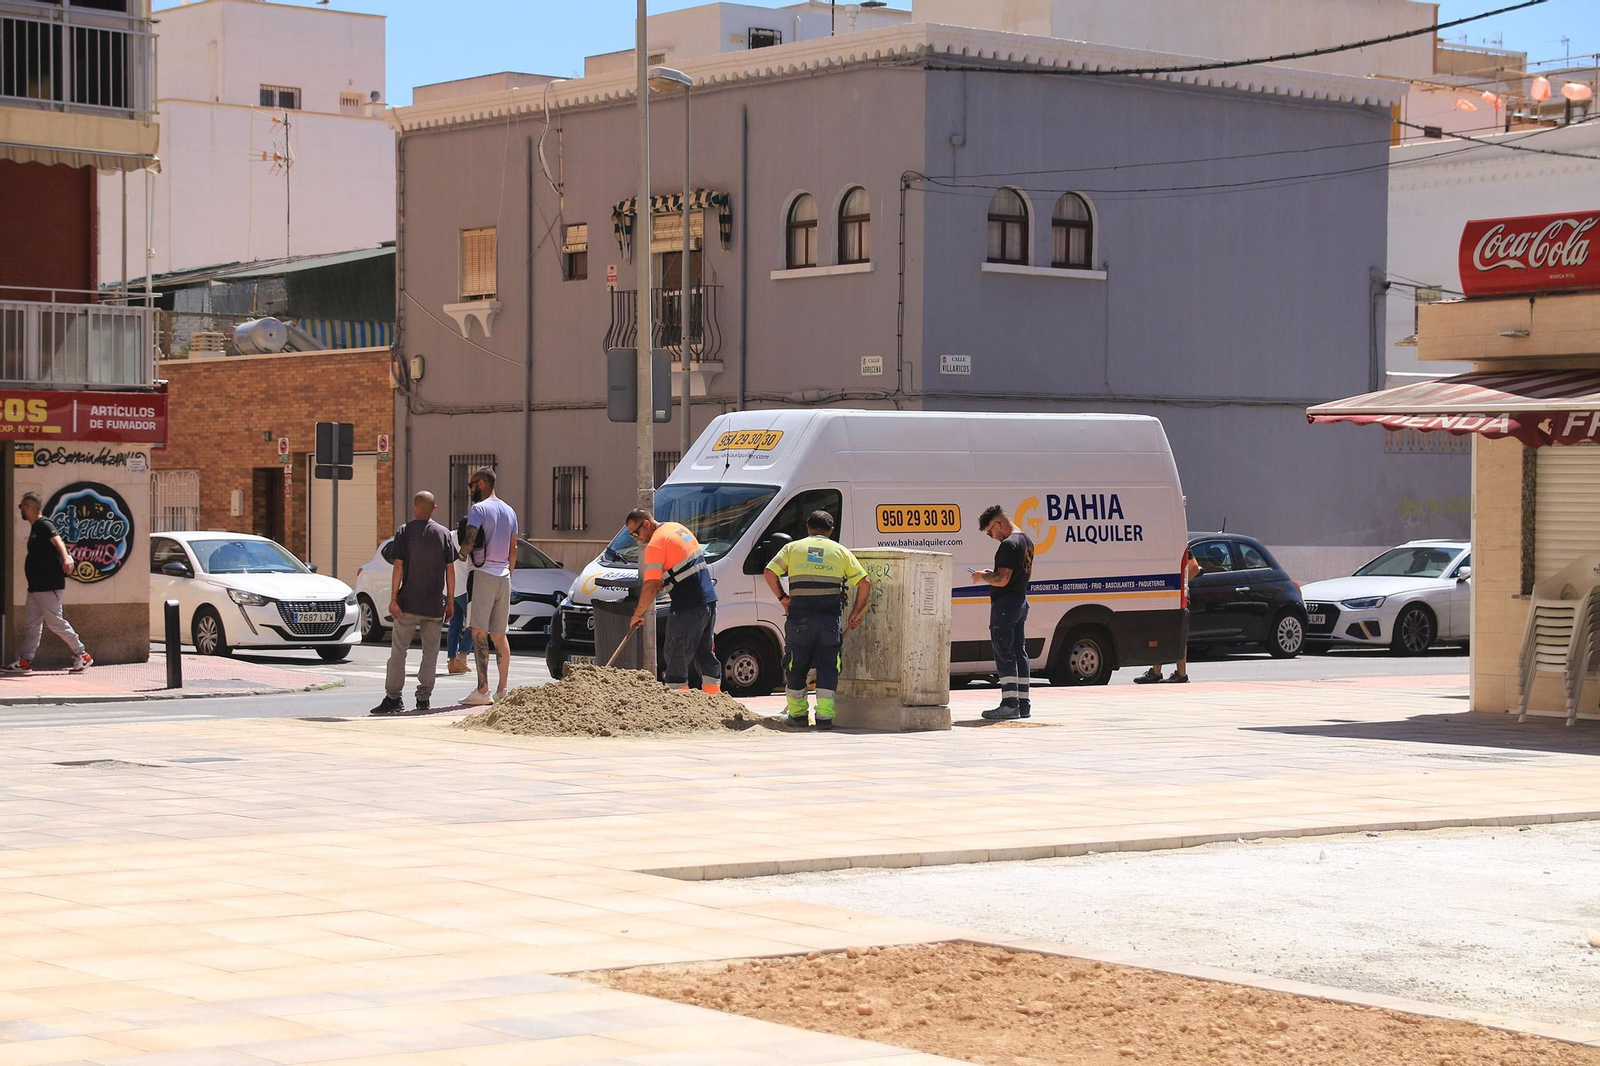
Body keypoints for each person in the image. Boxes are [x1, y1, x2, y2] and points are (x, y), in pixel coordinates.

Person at [763, 510, 871, 729]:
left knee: (796, 666)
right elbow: (865, 582)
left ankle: (798, 716)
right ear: (831, 531)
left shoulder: (792, 548)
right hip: (829, 622)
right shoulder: (840, 551)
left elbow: (769, 572)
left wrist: (783, 598)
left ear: (808, 527)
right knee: (828, 668)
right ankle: (824, 718)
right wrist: (855, 612)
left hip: (799, 621)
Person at [371, 491, 456, 715]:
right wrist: (450, 601)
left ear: (415, 508)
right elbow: (450, 570)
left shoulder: (404, 531)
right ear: (434, 508)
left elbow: (398, 566)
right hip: (434, 605)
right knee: (431, 653)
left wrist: (393, 599)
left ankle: (393, 698)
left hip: (407, 603)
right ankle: (424, 698)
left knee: (399, 652)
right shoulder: (444, 534)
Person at [625, 509, 720, 693]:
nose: (636, 538)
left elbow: (650, 586)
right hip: (707, 602)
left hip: (687, 606)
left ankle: (677, 705)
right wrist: (668, 580)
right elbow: (685, 565)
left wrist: (638, 614)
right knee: (704, 654)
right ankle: (714, 699)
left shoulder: (655, 544)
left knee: (676, 655)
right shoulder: (675, 528)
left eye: (636, 533)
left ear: (646, 524)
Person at [6, 492, 92, 673]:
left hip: (49, 585)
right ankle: (25, 662)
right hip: (36, 587)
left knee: (55, 623)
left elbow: (58, 540)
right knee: (32, 624)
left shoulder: (44, 524)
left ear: (28, 507)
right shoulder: (36, 527)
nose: (20, 509)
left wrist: (66, 558)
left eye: (21, 506)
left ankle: (82, 655)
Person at [458, 468, 518, 706]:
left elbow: (470, 539)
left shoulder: (478, 509)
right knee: (500, 634)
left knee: (478, 631)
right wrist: (508, 573)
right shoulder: (510, 510)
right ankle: (502, 690)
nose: (470, 489)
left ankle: (483, 690)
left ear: (482, 483)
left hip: (482, 574)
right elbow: (514, 548)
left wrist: (461, 553)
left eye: (472, 484)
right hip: (504, 575)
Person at [973, 505, 1034, 720]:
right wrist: (995, 574)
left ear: (999, 524)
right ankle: (1023, 703)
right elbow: (1011, 574)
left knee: (1004, 651)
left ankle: (1009, 704)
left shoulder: (1008, 545)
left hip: (1006, 605)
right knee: (1019, 652)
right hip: (1020, 601)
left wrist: (983, 577)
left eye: (990, 531)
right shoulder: (1026, 540)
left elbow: (1003, 579)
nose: (991, 536)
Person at [1136, 547, 1202, 685]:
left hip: (1176, 594)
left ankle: (1181, 673)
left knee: (1179, 633)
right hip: (1164, 592)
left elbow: (1194, 567)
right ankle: (1156, 672)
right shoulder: (1162, 544)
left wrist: (1179, 585)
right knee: (1159, 631)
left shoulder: (1178, 543)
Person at [444, 513, 471, 675]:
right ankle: (463, 655)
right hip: (466, 589)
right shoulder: (469, 542)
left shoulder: (449, 536)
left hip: (449, 588)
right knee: (474, 624)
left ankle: (452, 660)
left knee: (455, 625)